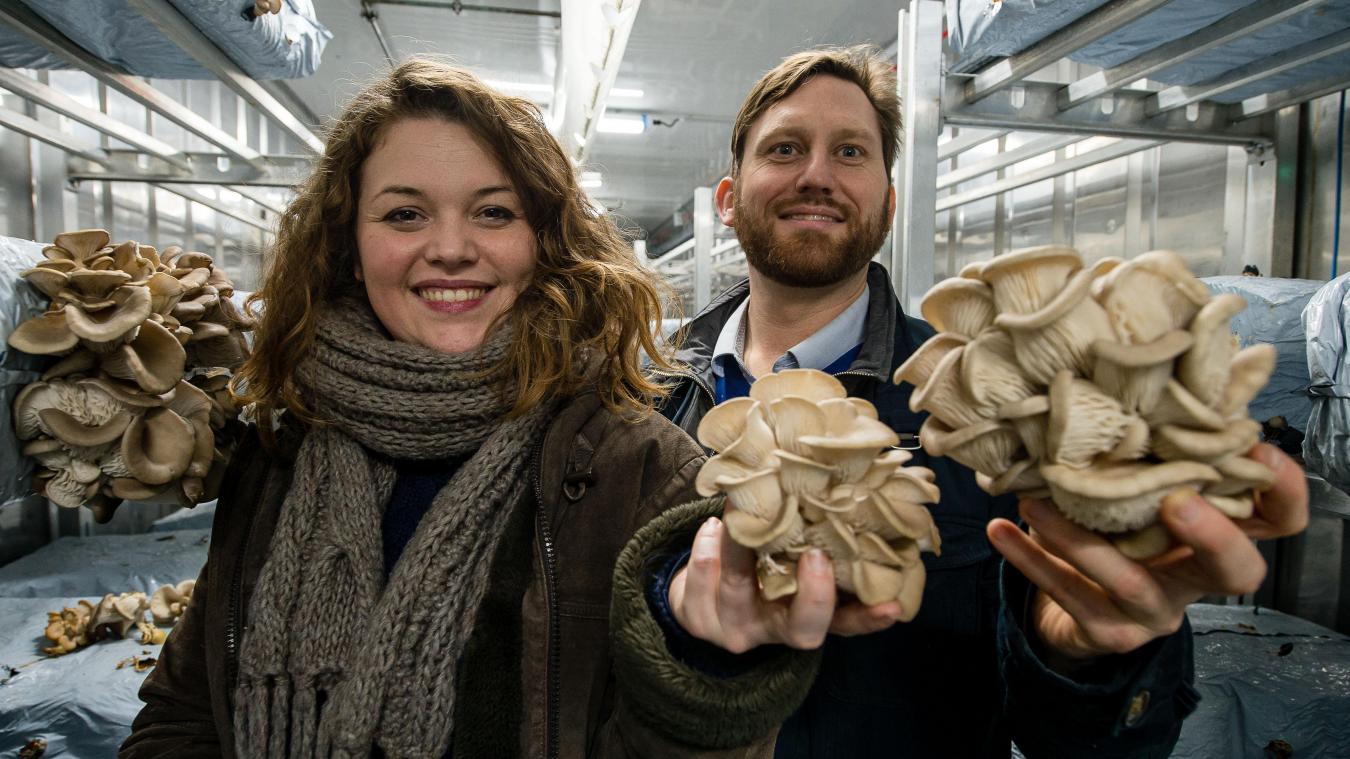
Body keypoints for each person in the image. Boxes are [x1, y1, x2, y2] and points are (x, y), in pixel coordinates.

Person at [613, 45, 1311, 758]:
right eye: (786, 148)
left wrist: (1088, 661)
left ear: (888, 202)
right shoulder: (637, 402)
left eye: (850, 151)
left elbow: (1088, 738)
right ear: (729, 199)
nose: (817, 175)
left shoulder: (987, 409)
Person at [119, 58, 803, 758]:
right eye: (405, 213)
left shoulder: (643, 469)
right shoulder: (275, 453)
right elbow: (182, 714)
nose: (449, 249)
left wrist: (706, 669)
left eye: (493, 212)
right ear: (351, 247)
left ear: (541, 242)